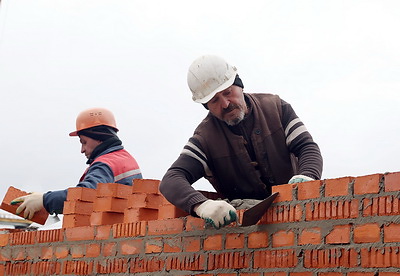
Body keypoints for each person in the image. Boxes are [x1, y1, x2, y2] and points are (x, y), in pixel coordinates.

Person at [159, 55, 323, 229]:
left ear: (239, 85)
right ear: (206, 105)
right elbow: (171, 180)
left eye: (228, 92)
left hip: (297, 215)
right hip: (247, 232)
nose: (225, 103)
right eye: (214, 100)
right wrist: (201, 205)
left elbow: (307, 147)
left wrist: (308, 177)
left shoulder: (276, 108)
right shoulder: (205, 139)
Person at [11, 107, 142, 220]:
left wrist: (45, 200)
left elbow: (85, 194)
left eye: (84, 142)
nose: (82, 150)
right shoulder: (124, 158)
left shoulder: (105, 164)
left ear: (100, 138)